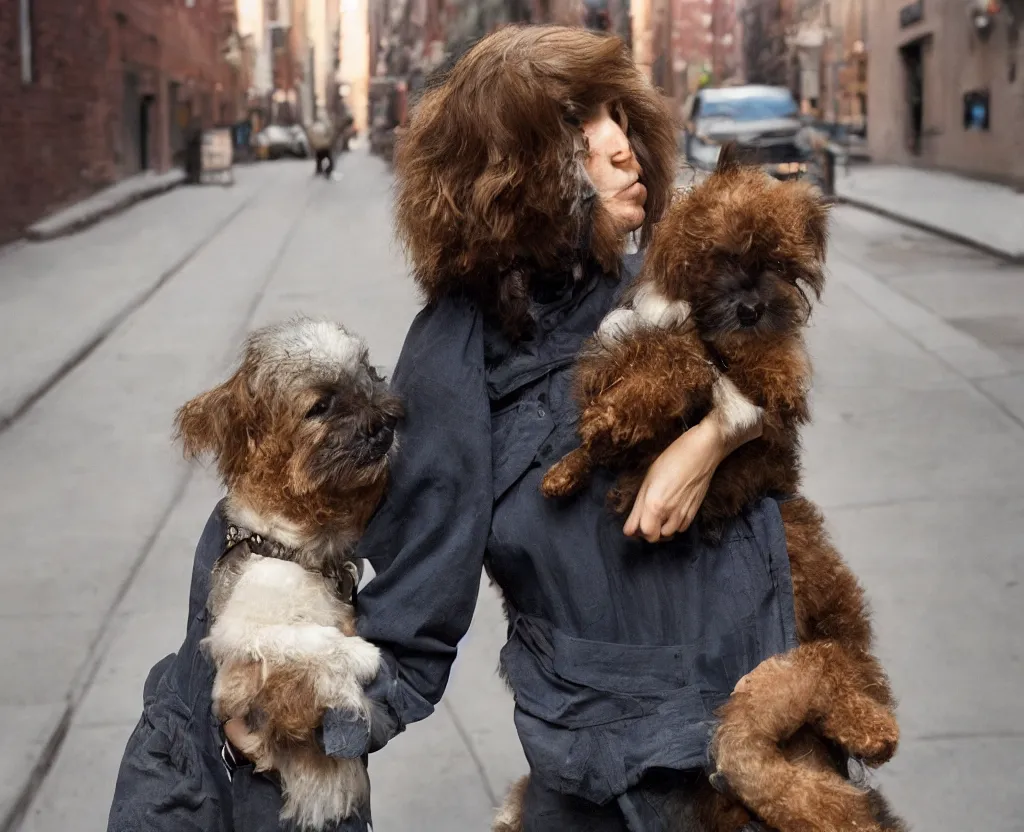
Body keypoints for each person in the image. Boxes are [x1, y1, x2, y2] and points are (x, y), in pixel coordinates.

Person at [107, 26, 801, 832]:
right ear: (511, 168)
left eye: (621, 114)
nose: (622, 149)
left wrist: (714, 437)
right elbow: (409, 617)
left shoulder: (662, 276)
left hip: (784, 705)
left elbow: (775, 380)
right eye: (583, 125)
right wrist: (263, 718)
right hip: (634, 777)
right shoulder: (458, 356)